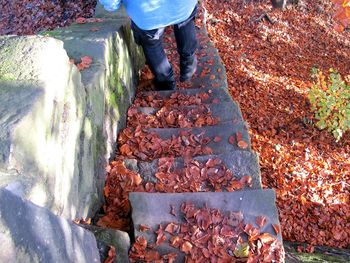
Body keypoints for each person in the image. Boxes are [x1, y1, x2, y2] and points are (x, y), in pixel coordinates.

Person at [99, 0, 198, 90]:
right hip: (184, 5)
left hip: (147, 12)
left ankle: (167, 85)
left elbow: (110, 4)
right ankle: (189, 68)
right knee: (185, 22)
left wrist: (112, 5)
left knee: (152, 44)